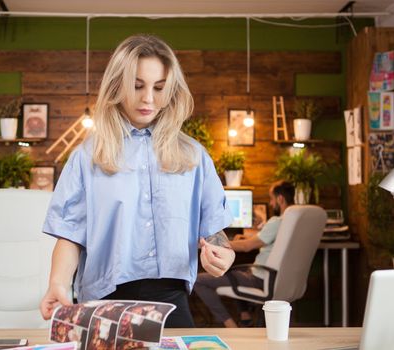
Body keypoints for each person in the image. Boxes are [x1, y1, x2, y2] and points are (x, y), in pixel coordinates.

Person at [39, 34, 235, 328]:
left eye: (159, 88)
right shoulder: (87, 156)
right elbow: (70, 233)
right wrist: (58, 283)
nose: (148, 99)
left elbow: (214, 231)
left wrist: (224, 255)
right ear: (117, 85)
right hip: (103, 304)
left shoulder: (194, 156)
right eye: (137, 85)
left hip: (172, 302)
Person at [193, 180, 295, 328]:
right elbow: (259, 240)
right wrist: (243, 238)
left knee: (199, 280)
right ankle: (245, 317)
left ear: (280, 199)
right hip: (274, 278)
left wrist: (217, 244)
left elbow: (247, 247)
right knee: (238, 272)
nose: (272, 204)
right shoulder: (292, 221)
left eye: (272, 199)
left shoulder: (277, 221)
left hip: (260, 279)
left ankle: (230, 325)